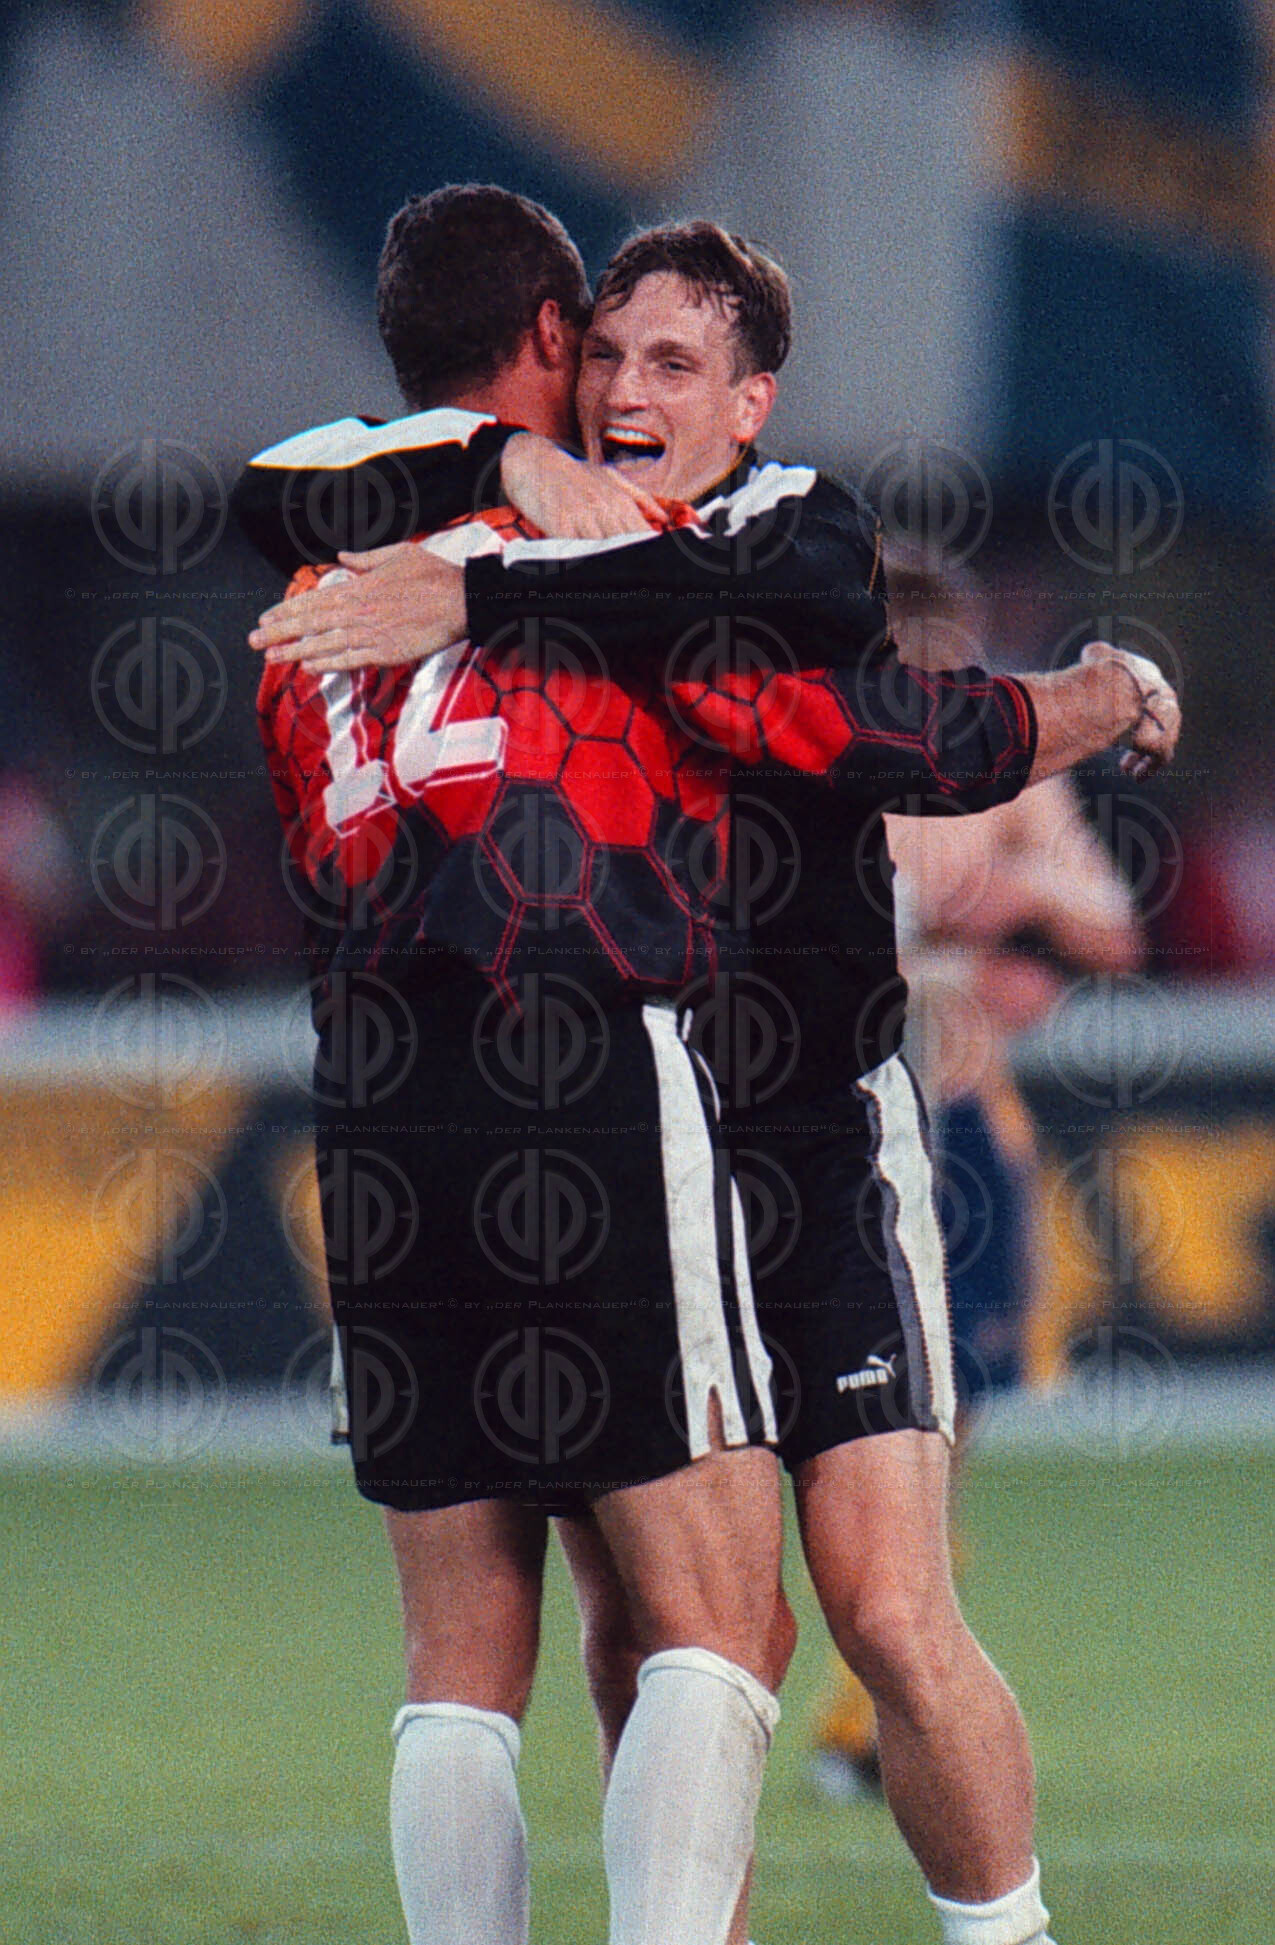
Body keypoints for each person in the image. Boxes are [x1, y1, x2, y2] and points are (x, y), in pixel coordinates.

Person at [246, 209, 1180, 1945]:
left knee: (880, 1610)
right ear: (551, 354)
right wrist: (504, 490)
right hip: (625, 1112)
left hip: (800, 1141)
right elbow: (292, 485)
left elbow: (887, 718)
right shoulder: (541, 535)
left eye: (672, 363)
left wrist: (1090, 690)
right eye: (604, 354)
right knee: (671, 1628)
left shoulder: (776, 530)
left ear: (751, 402)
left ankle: (1009, 1932)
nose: (624, 390)